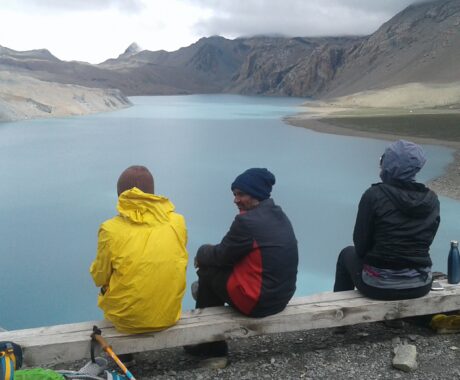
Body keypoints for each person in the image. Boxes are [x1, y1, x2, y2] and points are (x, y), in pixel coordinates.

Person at [185, 168, 298, 362]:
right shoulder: (279, 215)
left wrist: (201, 252)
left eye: (241, 194)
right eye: (235, 194)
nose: (235, 200)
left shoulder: (246, 222)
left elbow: (221, 255)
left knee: (207, 272)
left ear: (257, 194)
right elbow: (232, 254)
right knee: (214, 272)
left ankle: (214, 350)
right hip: (282, 296)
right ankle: (209, 344)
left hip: (260, 303)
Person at [334, 140, 440, 300]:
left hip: (378, 286)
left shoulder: (374, 195)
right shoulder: (431, 200)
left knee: (346, 254)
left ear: (388, 165)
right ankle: (394, 320)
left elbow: (361, 246)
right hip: (420, 284)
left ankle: (340, 316)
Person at [90, 166, 188, 334]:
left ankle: (125, 358)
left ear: (120, 195)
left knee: (109, 284)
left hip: (127, 321)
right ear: (151, 193)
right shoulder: (177, 221)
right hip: (169, 315)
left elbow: (100, 276)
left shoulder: (110, 229)